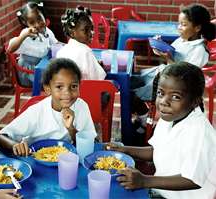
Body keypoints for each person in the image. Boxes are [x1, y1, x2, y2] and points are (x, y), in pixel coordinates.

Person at [104, 62, 216, 199]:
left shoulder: (200, 133)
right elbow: (157, 150)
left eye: (175, 96)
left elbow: (192, 179)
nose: (164, 102)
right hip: (160, 190)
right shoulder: (170, 116)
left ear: (195, 101)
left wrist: (145, 181)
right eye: (161, 93)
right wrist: (124, 150)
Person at [130, 3, 215, 138]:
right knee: (130, 82)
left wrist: (169, 59)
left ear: (197, 27)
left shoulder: (199, 51)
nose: (179, 28)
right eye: (179, 23)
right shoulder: (182, 40)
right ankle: (142, 120)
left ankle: (144, 123)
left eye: (183, 25)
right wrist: (160, 48)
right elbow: (173, 55)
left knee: (134, 96)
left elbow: (185, 76)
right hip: (164, 73)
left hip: (173, 85)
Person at [0, 58, 97, 157]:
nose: (67, 92)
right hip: (32, 159)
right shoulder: (37, 111)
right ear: (47, 89)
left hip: (62, 161)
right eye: (59, 87)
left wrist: (71, 128)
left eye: (73, 86)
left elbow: (88, 144)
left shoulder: (81, 106)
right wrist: (15, 145)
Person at [57, 5, 109, 106]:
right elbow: (97, 79)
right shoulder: (86, 52)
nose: (91, 33)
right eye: (86, 30)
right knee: (106, 93)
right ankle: (92, 120)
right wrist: (98, 66)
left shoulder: (61, 51)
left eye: (92, 28)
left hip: (64, 99)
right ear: (72, 32)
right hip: (83, 99)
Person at [8, 1, 63, 87]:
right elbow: (10, 48)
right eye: (32, 23)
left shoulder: (46, 31)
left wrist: (70, 46)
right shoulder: (26, 35)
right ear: (26, 23)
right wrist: (23, 36)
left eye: (39, 18)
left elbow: (55, 43)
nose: (38, 24)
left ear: (43, 15)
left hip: (41, 66)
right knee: (59, 81)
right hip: (28, 72)